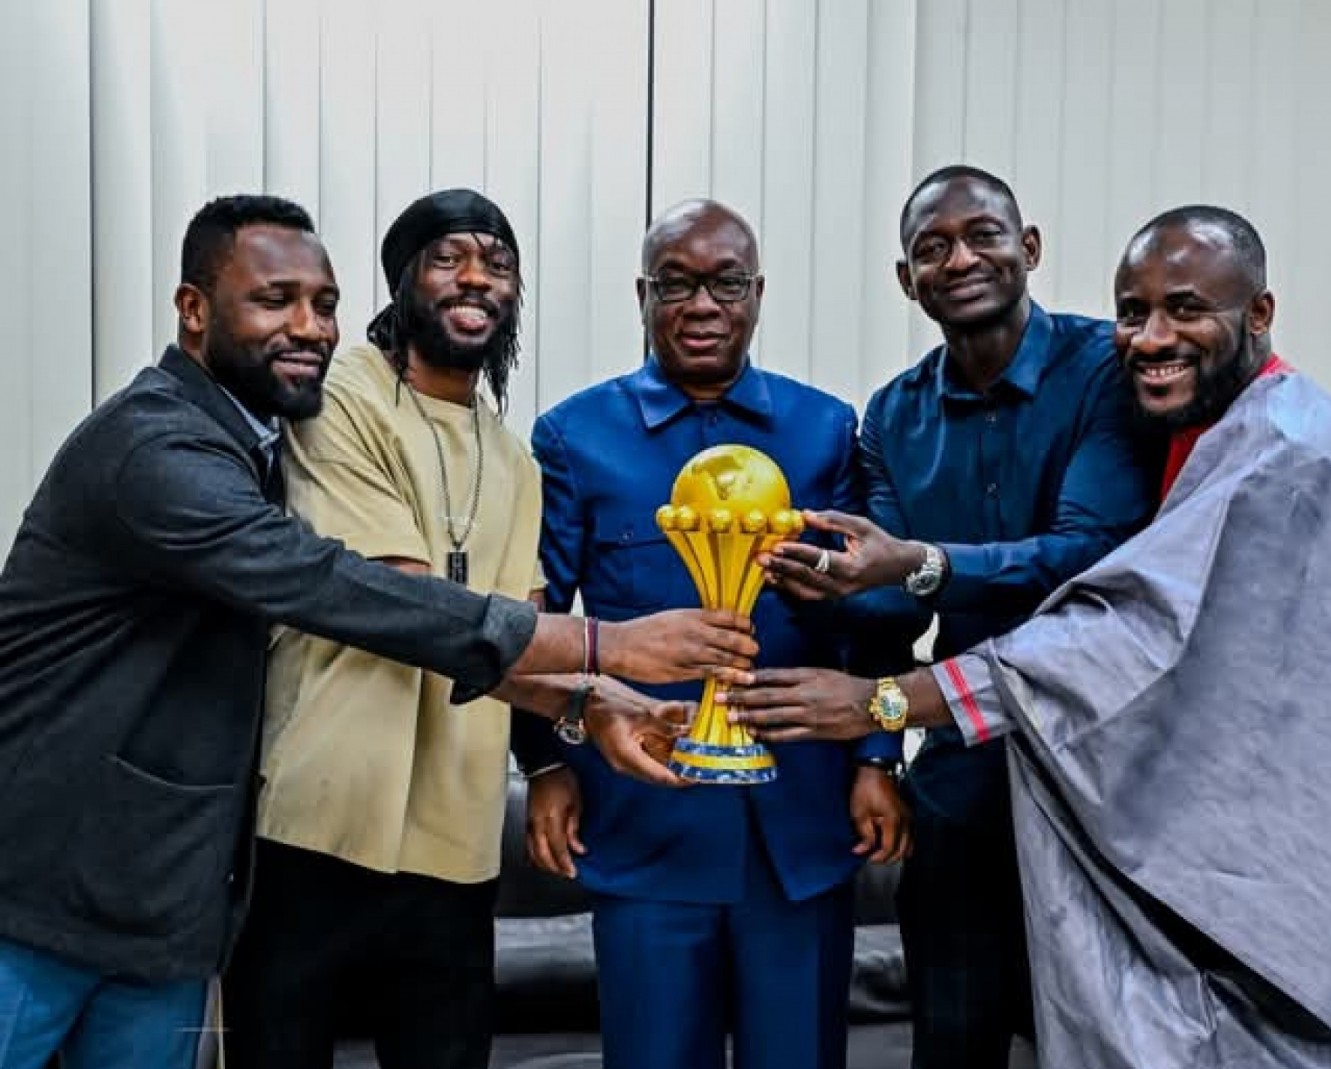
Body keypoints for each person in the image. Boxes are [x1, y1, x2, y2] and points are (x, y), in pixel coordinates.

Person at [726, 205, 1331, 1068]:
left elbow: (1122, 622)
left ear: (1260, 313)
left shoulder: (1287, 452)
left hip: (1247, 826)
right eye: (1135, 312)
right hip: (1030, 780)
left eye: (1186, 309)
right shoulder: (913, 414)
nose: (1153, 337)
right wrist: (808, 601)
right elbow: (905, 609)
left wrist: (884, 698)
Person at [0, 194, 757, 1069]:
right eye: (275, 299)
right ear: (194, 309)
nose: (308, 326)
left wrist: (581, 705)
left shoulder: (317, 443)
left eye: (322, 303)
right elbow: (358, 594)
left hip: (175, 895)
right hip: (49, 882)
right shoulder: (170, 446)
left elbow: (479, 632)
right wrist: (606, 646)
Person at [221, 188, 671, 1069]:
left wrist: (583, 715)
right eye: (449, 258)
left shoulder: (515, 459)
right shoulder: (340, 397)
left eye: (498, 264)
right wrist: (604, 660)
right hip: (316, 821)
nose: (477, 278)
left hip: (455, 840)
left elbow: (525, 636)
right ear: (404, 279)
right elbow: (402, 604)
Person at [759, 164, 1157, 1067]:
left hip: (1103, 758)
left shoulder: (1105, 369)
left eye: (983, 235)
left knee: (1106, 1034)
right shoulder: (892, 415)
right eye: (933, 248)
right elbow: (889, 606)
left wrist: (921, 563)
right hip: (963, 757)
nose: (961, 258)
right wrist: (813, 582)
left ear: (1030, 248)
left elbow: (1089, 552)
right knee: (952, 1031)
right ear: (908, 280)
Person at [510, 198, 910, 1069]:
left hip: (800, 824)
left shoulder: (826, 429)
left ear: (757, 293)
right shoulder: (575, 436)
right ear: (643, 296)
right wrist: (543, 762)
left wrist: (879, 758)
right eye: (675, 284)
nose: (701, 305)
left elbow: (872, 608)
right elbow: (534, 623)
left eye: (726, 283)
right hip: (649, 818)